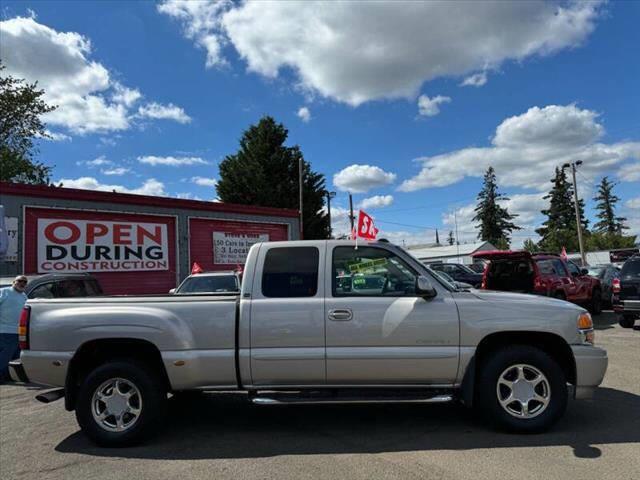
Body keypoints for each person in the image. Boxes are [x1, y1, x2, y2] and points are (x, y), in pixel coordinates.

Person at [0, 275, 28, 382]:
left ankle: (8, 376)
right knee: (6, 354)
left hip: (19, 332)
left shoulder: (24, 296)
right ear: (13, 282)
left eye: (24, 282)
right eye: (19, 281)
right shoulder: (4, 292)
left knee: (15, 356)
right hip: (5, 330)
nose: (22, 283)